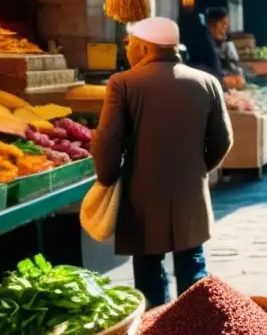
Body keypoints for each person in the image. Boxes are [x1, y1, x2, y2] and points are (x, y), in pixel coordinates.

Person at [91, 17, 232, 308]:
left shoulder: (123, 84)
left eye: (129, 44)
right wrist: (197, 168)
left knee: (147, 269)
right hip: (190, 191)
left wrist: (107, 179)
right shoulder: (207, 82)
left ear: (144, 47)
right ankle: (195, 333)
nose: (127, 50)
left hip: (141, 195)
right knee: (192, 263)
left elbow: (107, 142)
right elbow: (223, 140)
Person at [205, 7, 241, 77]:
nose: (225, 28)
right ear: (211, 25)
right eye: (223, 24)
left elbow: (235, 68)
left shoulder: (227, 44)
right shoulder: (202, 45)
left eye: (226, 25)